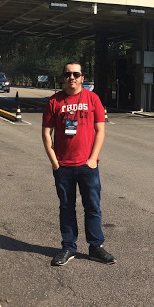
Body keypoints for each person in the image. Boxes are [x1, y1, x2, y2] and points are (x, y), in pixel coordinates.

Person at [42, 61, 116, 266]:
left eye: (76, 74)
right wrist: (54, 160)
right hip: (63, 166)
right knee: (66, 207)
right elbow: (46, 132)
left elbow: (100, 130)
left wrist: (93, 159)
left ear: (83, 77)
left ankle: (95, 247)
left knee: (92, 206)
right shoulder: (54, 101)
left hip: (87, 166)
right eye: (67, 74)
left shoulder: (93, 99)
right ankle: (68, 247)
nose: (71, 77)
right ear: (63, 77)